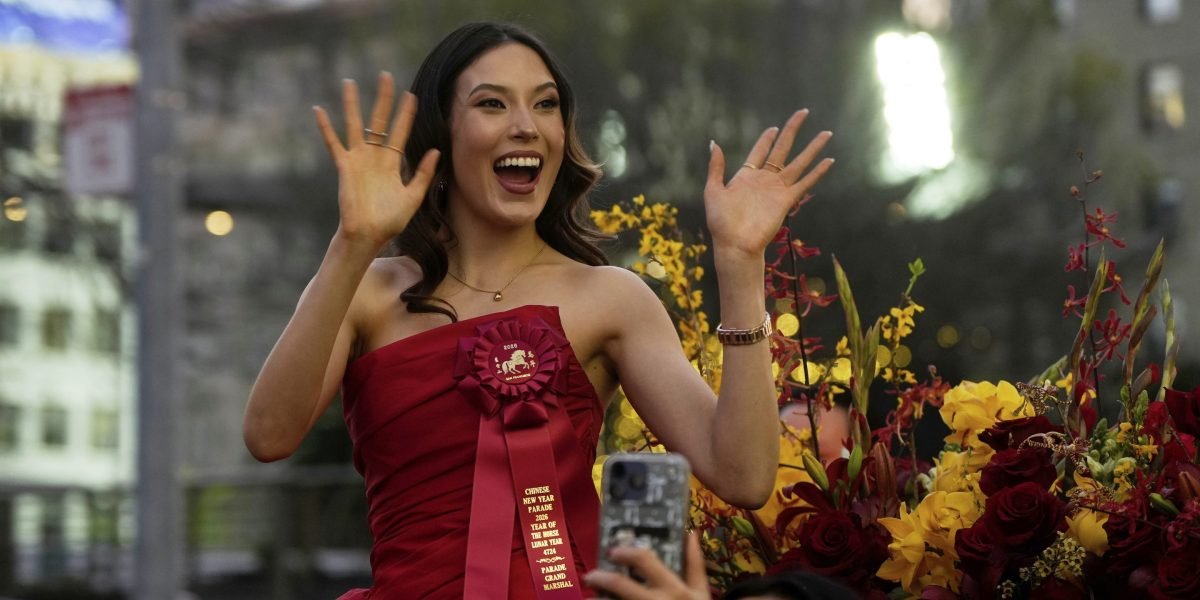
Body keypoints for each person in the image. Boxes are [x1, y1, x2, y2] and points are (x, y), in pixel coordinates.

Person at [242, 21, 834, 599]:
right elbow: (269, 435)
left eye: (545, 104)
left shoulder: (610, 297)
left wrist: (739, 262)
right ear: (441, 136)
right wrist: (353, 243)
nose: (526, 127)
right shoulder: (369, 290)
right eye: (492, 104)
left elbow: (745, 477)